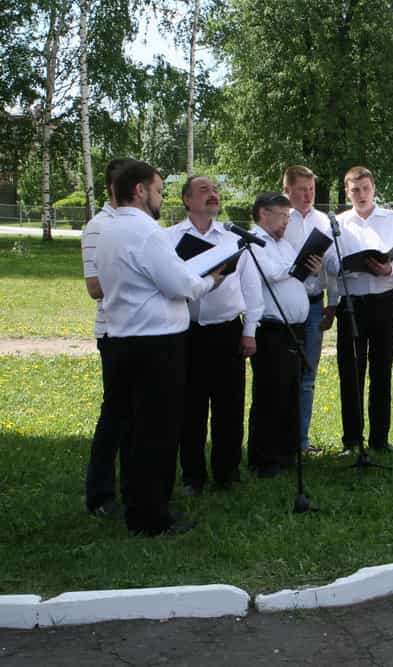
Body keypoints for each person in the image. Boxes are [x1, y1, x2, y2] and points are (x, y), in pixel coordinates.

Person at [96, 160, 227, 536]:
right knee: (157, 433)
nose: (159, 196)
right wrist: (211, 279)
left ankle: (137, 508)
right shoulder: (147, 232)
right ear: (139, 190)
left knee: (135, 432)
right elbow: (180, 286)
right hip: (156, 344)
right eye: (157, 189)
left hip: (121, 338)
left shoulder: (107, 229)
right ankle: (152, 517)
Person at [164, 176, 263, 495]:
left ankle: (227, 472)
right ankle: (193, 475)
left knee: (229, 406)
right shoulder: (168, 238)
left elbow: (251, 288)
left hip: (228, 331)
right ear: (187, 200)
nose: (213, 195)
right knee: (190, 407)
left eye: (215, 190)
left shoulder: (234, 238)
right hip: (187, 332)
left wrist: (250, 331)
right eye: (204, 190)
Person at [326, 167, 393, 454]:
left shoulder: (392, 219)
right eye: (355, 190)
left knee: (381, 372)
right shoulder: (338, 223)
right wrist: (347, 269)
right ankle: (352, 440)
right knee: (351, 374)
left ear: (373, 188)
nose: (361, 194)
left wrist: (391, 268)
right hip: (352, 305)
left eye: (365, 188)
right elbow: (329, 263)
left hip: (385, 302)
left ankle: (379, 438)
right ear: (347, 192)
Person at [247, 193, 318, 477]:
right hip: (271, 328)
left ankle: (287, 453)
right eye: (283, 215)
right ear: (264, 213)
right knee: (269, 394)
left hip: (295, 328)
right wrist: (296, 265)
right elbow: (270, 273)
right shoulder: (253, 242)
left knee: (290, 392)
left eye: (289, 217)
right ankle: (263, 459)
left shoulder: (285, 245)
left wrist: (309, 268)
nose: (287, 221)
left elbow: (295, 276)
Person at [81, 157, 137, 518]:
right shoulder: (98, 227)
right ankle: (100, 493)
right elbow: (94, 286)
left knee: (136, 416)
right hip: (114, 331)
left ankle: (137, 487)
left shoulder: (140, 225)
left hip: (142, 332)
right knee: (115, 414)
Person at [281, 165, 334, 455]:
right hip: (283, 309)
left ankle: (301, 441)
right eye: (302, 189)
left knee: (307, 376)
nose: (308, 194)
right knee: (281, 375)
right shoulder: (278, 219)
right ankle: (279, 442)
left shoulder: (324, 221)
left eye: (311, 189)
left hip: (314, 305)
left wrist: (333, 303)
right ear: (287, 189)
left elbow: (334, 265)